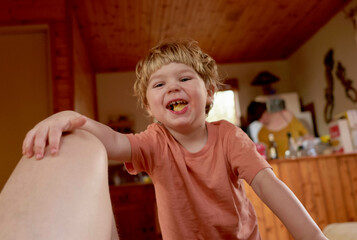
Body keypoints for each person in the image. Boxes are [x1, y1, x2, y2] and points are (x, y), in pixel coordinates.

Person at [20, 40, 326, 239]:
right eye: (159, 84)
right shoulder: (154, 142)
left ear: (208, 92)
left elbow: (269, 186)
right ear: (149, 106)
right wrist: (72, 118)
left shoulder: (230, 137)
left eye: (184, 78)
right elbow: (113, 142)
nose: (172, 87)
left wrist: (313, 237)